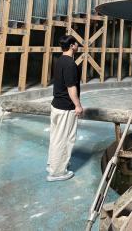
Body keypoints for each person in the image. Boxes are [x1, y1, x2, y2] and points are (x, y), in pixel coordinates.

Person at [47, 35, 83, 182]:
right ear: (72, 46)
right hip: (66, 107)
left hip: (56, 105)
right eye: (77, 44)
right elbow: (71, 87)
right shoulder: (70, 64)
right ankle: (57, 173)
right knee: (65, 139)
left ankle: (53, 165)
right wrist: (78, 105)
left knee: (56, 137)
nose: (78, 46)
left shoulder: (60, 60)